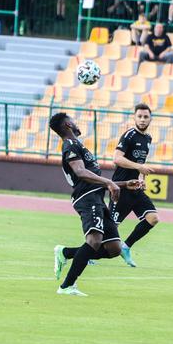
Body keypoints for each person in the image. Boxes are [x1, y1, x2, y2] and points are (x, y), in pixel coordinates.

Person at [50, 112, 142, 296]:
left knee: (114, 248)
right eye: (73, 120)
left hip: (97, 197)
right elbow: (81, 172)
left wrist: (123, 184)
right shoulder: (70, 145)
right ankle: (67, 286)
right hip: (87, 197)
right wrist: (109, 183)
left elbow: (93, 176)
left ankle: (65, 253)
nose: (76, 123)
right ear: (68, 124)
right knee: (94, 240)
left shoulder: (78, 145)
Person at [109, 104, 159, 268]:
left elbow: (140, 163)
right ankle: (89, 252)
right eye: (140, 116)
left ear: (150, 118)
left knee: (153, 218)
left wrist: (141, 177)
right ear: (134, 117)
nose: (143, 120)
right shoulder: (129, 135)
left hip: (135, 188)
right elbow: (117, 158)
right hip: (121, 188)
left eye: (146, 117)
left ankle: (126, 247)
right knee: (110, 226)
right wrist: (139, 168)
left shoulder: (148, 139)